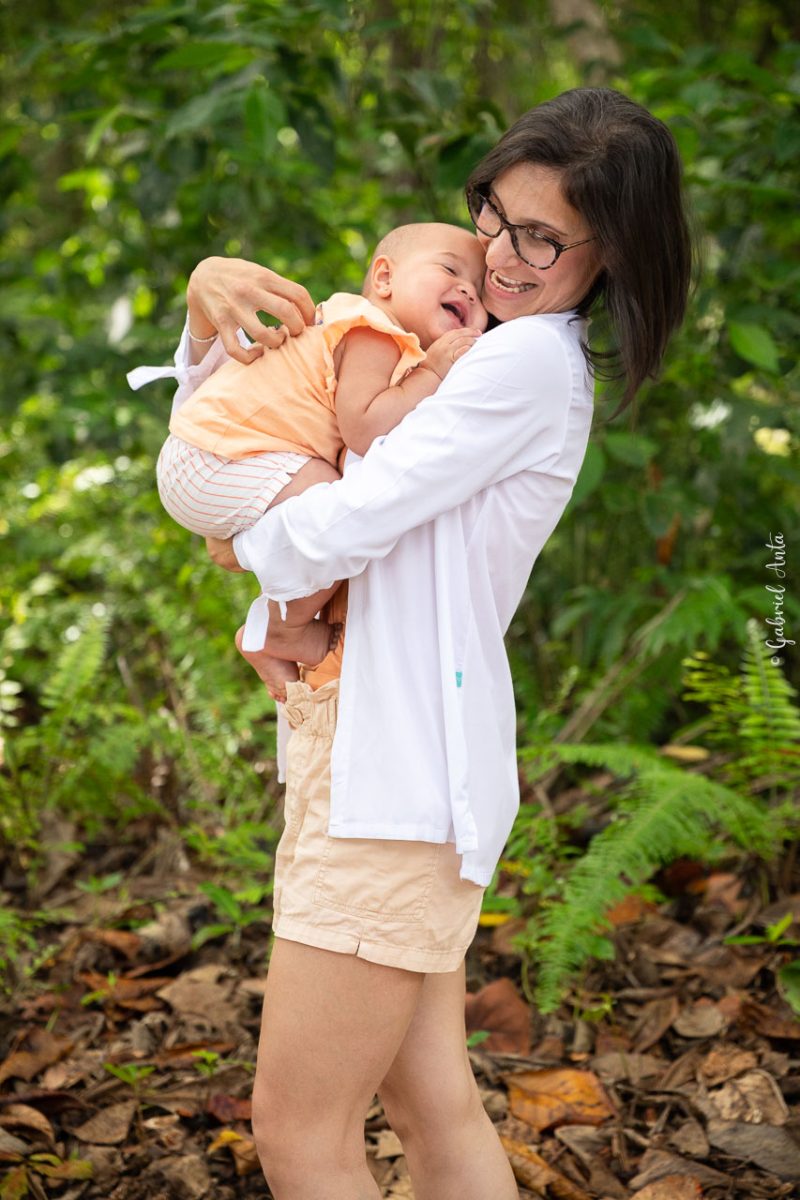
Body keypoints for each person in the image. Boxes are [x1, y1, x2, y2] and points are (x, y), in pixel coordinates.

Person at [146, 87, 691, 1200]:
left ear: (613, 251)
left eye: (540, 238)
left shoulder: (517, 364)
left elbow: (355, 508)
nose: (498, 253)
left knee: (298, 1131)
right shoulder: (477, 338)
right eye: (493, 216)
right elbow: (283, 409)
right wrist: (208, 306)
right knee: (428, 1101)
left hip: (392, 773)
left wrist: (246, 561)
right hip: (394, 753)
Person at [144, 223, 486, 700]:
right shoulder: (374, 332)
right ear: (384, 278)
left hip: (205, 454)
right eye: (450, 269)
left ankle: (275, 628)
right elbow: (364, 429)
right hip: (213, 459)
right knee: (334, 510)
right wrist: (430, 371)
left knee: (328, 506)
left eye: (481, 290)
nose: (469, 287)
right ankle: (281, 630)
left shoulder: (346, 322)